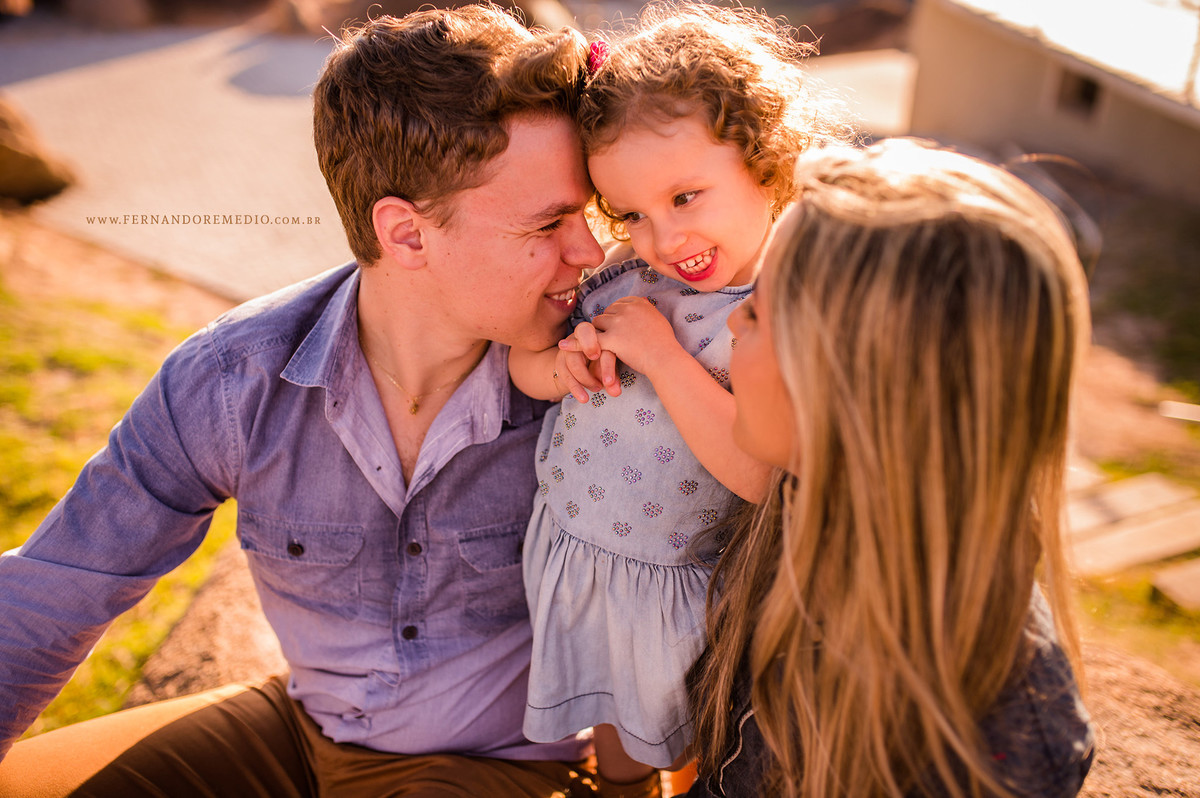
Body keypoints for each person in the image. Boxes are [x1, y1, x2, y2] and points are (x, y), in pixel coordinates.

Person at [0, 6, 615, 796]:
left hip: (504, 767)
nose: (590, 250)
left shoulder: (596, 371)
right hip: (303, 729)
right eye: (551, 221)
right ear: (406, 234)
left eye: (585, 212)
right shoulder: (235, 378)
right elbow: (58, 585)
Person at [686, 139, 1097, 798]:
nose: (733, 320)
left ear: (852, 389)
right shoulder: (794, 515)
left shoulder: (1001, 752)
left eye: (759, 310)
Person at [507, 5, 847, 793]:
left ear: (766, 161)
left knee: (695, 744)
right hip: (578, 559)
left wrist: (661, 357)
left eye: (686, 197)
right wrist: (564, 366)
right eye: (631, 213)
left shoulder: (783, 311)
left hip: (682, 589)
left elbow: (762, 474)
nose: (662, 239)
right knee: (614, 738)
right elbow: (526, 367)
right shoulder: (623, 275)